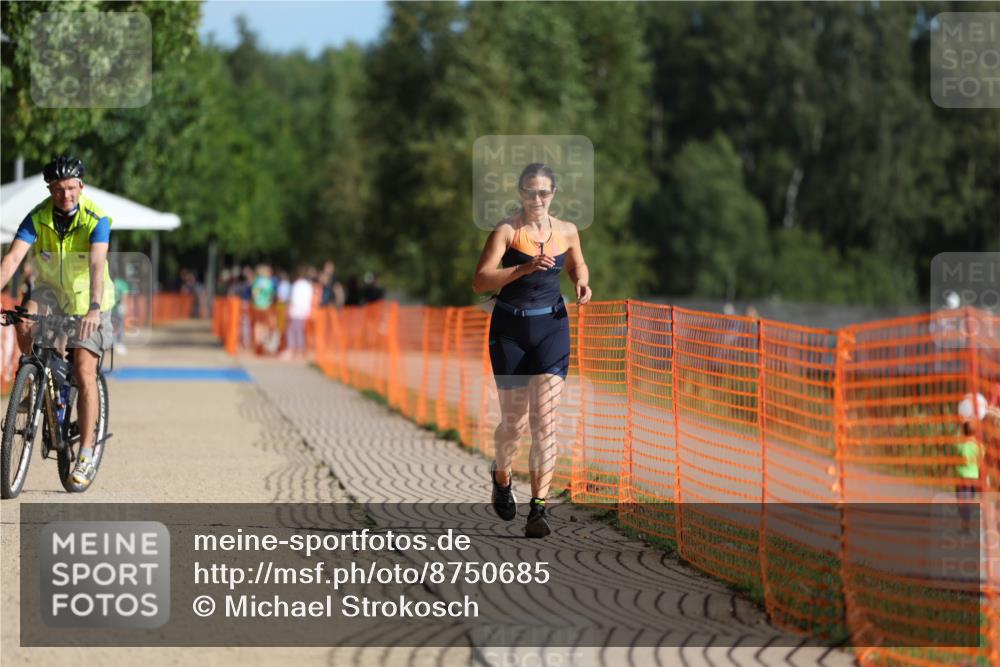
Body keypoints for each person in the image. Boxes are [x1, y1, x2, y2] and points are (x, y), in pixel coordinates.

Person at [472, 163, 591, 538]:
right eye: (529, 192)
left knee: (545, 421)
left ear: (553, 194)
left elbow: (578, 265)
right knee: (514, 424)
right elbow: (480, 281)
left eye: (543, 192)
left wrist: (582, 283)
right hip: (509, 331)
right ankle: (501, 475)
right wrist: (522, 271)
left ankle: (538, 509)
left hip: (551, 329)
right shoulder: (507, 232)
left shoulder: (567, 231)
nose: (536, 199)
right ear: (519, 193)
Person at [0, 155, 115, 487]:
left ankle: (86, 454)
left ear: (81, 186)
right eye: (58, 190)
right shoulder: (38, 217)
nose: (65, 195)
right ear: (49, 189)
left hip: (89, 300)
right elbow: (12, 259)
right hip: (50, 291)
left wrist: (93, 308)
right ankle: (33, 376)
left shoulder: (97, 218)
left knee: (82, 367)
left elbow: (96, 265)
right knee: (22, 321)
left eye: (71, 188)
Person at [955, 393, 987, 532]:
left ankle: (965, 524)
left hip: (962, 480)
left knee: (963, 503)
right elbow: (982, 461)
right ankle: (970, 522)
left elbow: (956, 452)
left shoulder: (960, 445)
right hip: (974, 479)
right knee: (971, 501)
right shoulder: (980, 447)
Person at [285, 266, 314, 359]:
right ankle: (300, 350)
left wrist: (289, 310)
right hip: (304, 311)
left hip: (296, 311)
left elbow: (294, 299)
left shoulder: (297, 285)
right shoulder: (309, 286)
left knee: (293, 331)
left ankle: (294, 349)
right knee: (300, 331)